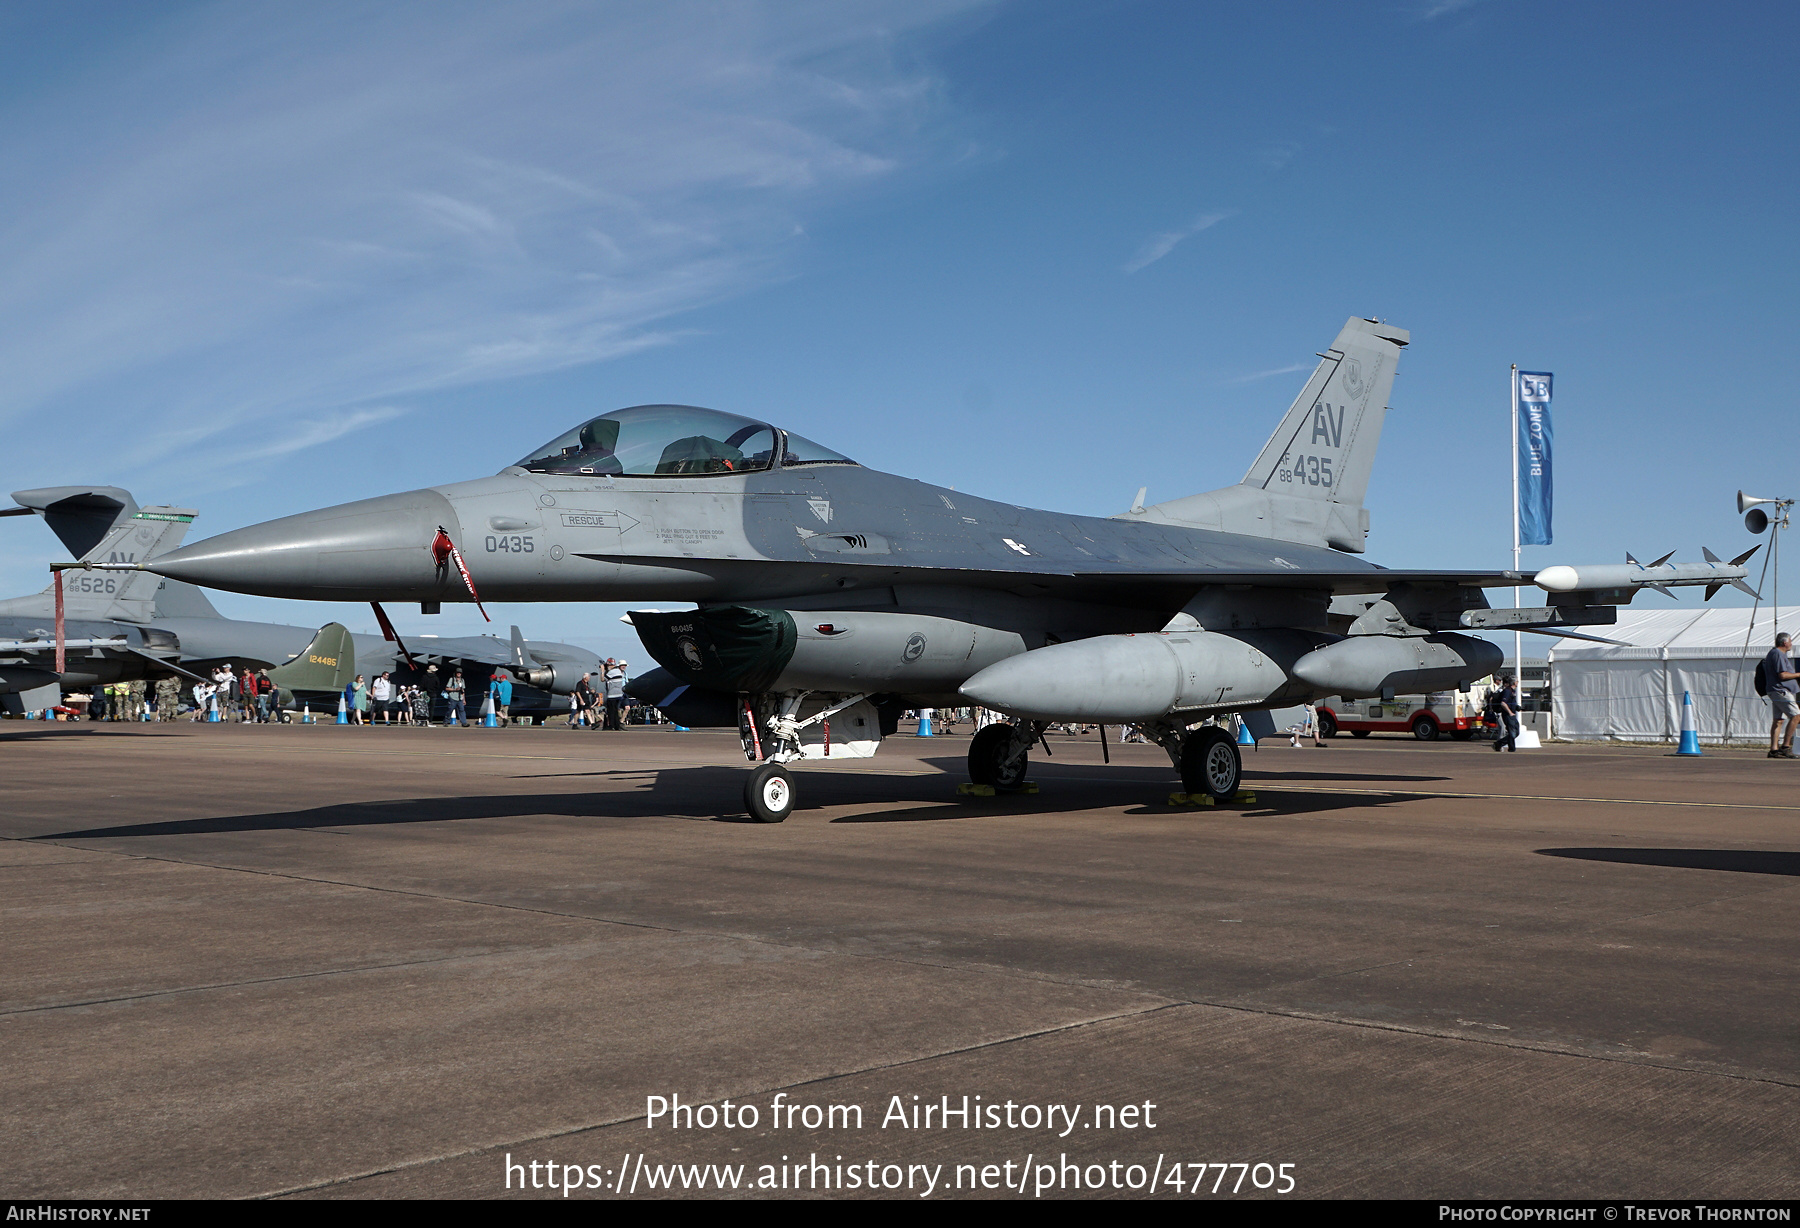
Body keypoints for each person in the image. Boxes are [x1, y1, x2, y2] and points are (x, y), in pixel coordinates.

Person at [1764, 632, 1800, 758]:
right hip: (1781, 690)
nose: (1791, 644)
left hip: (1775, 690)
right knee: (1796, 716)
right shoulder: (1778, 654)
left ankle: (1774, 749)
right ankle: (1785, 746)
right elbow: (1783, 675)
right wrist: (1798, 675)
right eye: (1790, 641)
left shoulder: (1774, 653)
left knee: (1778, 720)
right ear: (1785, 642)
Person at [1492, 674, 1520, 752]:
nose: (1518, 682)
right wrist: (1510, 712)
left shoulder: (1512, 691)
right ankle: (1511, 748)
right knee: (1512, 732)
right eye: (1517, 681)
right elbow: (1503, 703)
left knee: (1516, 732)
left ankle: (1499, 744)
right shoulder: (1507, 691)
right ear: (1514, 682)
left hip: (1512, 714)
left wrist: (1516, 707)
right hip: (1508, 715)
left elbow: (1510, 702)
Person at [603, 658, 626, 730]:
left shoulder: (612, 672)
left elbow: (603, 679)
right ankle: (617, 726)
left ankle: (611, 725)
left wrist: (602, 670)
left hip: (612, 695)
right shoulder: (619, 671)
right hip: (619, 694)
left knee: (611, 711)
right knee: (616, 711)